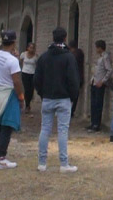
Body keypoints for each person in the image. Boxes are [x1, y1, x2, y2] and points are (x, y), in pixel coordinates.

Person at [35, 27, 80, 173]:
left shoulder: (43, 57)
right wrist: (73, 96)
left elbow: (37, 79)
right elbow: (73, 80)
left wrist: (42, 94)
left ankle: (42, 163)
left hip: (48, 97)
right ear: (65, 38)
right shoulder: (69, 57)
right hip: (64, 98)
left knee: (45, 129)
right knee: (62, 131)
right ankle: (63, 163)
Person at [0, 30, 25, 169]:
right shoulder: (12, 61)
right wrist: (21, 96)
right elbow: (16, 81)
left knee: (0, 124)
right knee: (8, 125)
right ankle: (1, 157)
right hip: (9, 93)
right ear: (14, 42)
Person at [88, 40, 113, 132]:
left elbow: (109, 70)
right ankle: (92, 122)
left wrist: (102, 81)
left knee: (98, 104)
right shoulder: (100, 58)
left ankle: (96, 124)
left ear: (100, 48)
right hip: (94, 82)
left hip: (99, 84)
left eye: (97, 47)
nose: (96, 49)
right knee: (93, 104)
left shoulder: (105, 57)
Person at [20, 42, 38, 113]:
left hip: (32, 74)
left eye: (33, 48)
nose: (31, 49)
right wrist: (22, 69)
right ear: (27, 48)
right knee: (27, 89)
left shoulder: (36, 56)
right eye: (30, 47)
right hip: (25, 73)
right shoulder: (23, 54)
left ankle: (28, 102)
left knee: (31, 90)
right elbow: (21, 61)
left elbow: (37, 65)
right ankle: (27, 105)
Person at [69, 40, 85, 119]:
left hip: (75, 77)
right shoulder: (79, 53)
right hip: (79, 77)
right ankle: (71, 111)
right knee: (75, 95)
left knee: (72, 95)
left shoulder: (74, 55)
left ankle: (71, 111)